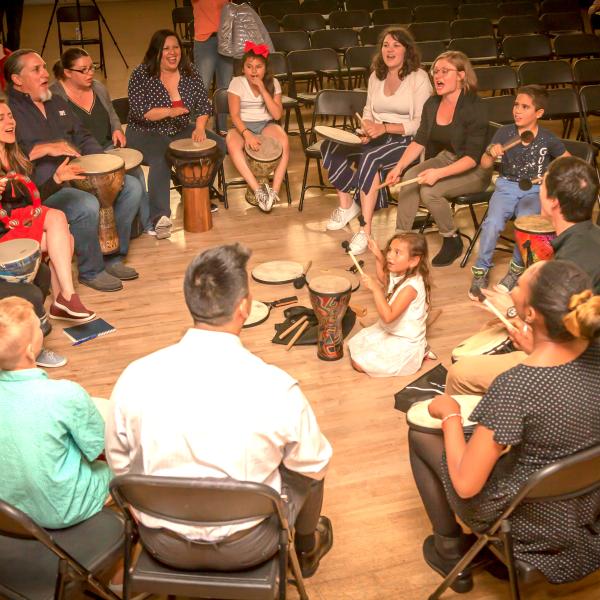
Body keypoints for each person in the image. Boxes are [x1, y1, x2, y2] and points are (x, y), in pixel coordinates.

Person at [106, 243, 333, 575]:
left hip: (161, 541)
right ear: (244, 307)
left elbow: (119, 463)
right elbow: (315, 464)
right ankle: (306, 549)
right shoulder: (277, 388)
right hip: (249, 545)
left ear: (190, 302)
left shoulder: (135, 376)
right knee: (311, 466)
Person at [408, 259, 600, 592]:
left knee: (421, 434)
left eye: (518, 286)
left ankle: (450, 550)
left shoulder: (517, 386)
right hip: (586, 504)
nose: (510, 288)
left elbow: (467, 485)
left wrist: (451, 414)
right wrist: (536, 350)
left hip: (528, 522)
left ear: (531, 315)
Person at [446, 155, 600, 397]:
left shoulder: (569, 267)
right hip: (578, 347)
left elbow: (562, 340)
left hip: (580, 372)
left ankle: (488, 429)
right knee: (492, 327)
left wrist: (511, 311)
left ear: (553, 203)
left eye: (543, 185)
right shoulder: (590, 237)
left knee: (460, 373)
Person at [4, 49, 141, 293]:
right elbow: (11, 155)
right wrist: (46, 148)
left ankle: (112, 256)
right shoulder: (8, 111)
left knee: (130, 187)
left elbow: (81, 134)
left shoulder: (54, 100)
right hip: (44, 185)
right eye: (36, 70)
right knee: (85, 204)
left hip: (75, 173)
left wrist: (102, 161)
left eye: (45, 67)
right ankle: (92, 270)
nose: (46, 74)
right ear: (17, 80)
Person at [0, 296, 111, 528]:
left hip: (9, 513)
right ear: (31, 350)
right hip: (63, 509)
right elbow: (99, 447)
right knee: (124, 461)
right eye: (39, 328)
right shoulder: (64, 395)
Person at [321, 28, 432, 255]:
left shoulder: (418, 78)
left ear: (407, 50)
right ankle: (347, 206)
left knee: (370, 158)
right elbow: (368, 110)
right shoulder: (375, 76)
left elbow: (422, 124)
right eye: (385, 45)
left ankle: (365, 230)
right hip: (376, 134)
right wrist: (367, 127)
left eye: (396, 45)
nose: (389, 50)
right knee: (330, 146)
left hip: (405, 139)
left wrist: (385, 128)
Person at [386, 51, 490, 267]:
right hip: (447, 158)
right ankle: (401, 239)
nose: (437, 75)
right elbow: (419, 140)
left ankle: (452, 239)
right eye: (435, 71)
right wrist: (398, 167)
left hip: (475, 168)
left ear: (461, 75)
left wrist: (438, 174)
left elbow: (472, 158)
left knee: (430, 191)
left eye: (445, 71)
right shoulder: (432, 104)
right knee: (410, 177)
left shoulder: (474, 107)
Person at [0, 95, 95, 323]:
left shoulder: (17, 154)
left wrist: (56, 178)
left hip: (20, 227)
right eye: (1, 119)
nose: (10, 122)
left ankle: (63, 300)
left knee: (61, 235)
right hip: (4, 235)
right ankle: (64, 299)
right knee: (62, 235)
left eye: (10, 116)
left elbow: (33, 200)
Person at [469, 85, 568, 299]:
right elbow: (484, 164)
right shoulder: (505, 132)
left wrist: (550, 176)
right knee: (493, 223)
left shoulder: (548, 138)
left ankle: (516, 270)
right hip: (506, 186)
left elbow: (569, 162)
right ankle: (481, 270)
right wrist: (490, 152)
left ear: (539, 113)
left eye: (525, 107)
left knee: (526, 223)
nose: (517, 111)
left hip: (534, 190)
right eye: (516, 105)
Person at [126, 29, 226, 239]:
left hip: (179, 128)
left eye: (176, 48)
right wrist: (171, 111)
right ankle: (159, 218)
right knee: (162, 156)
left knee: (217, 146)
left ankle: (196, 191)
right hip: (145, 131)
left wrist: (199, 128)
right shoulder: (141, 74)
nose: (173, 53)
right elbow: (141, 112)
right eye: (166, 49)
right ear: (156, 53)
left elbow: (203, 106)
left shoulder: (190, 73)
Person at [50, 48, 153, 235]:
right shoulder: (54, 97)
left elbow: (112, 113)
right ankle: (110, 231)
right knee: (120, 183)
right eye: (84, 70)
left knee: (135, 171)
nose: (90, 73)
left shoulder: (98, 87)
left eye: (92, 67)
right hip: (80, 156)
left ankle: (146, 224)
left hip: (107, 147)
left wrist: (116, 128)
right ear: (67, 72)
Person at [348, 232, 431, 377]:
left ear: (413, 261)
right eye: (390, 250)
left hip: (404, 340)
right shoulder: (401, 272)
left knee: (359, 364)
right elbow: (384, 278)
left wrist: (375, 290)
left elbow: (388, 316)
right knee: (355, 343)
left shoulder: (410, 288)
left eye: (397, 253)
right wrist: (377, 255)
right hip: (391, 331)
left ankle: (420, 352)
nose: (390, 256)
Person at [226, 41, 288, 212]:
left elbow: (276, 115)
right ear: (243, 68)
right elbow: (235, 115)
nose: (253, 71)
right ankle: (258, 190)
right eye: (249, 66)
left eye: (258, 67)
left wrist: (262, 88)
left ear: (265, 68)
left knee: (284, 140)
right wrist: (247, 134)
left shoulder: (273, 83)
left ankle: (274, 192)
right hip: (242, 126)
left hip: (265, 124)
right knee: (232, 142)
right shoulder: (237, 82)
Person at [191, 0, 234, 126]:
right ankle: (195, 127)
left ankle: (221, 128)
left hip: (226, 38)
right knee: (202, 86)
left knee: (225, 88)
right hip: (205, 40)